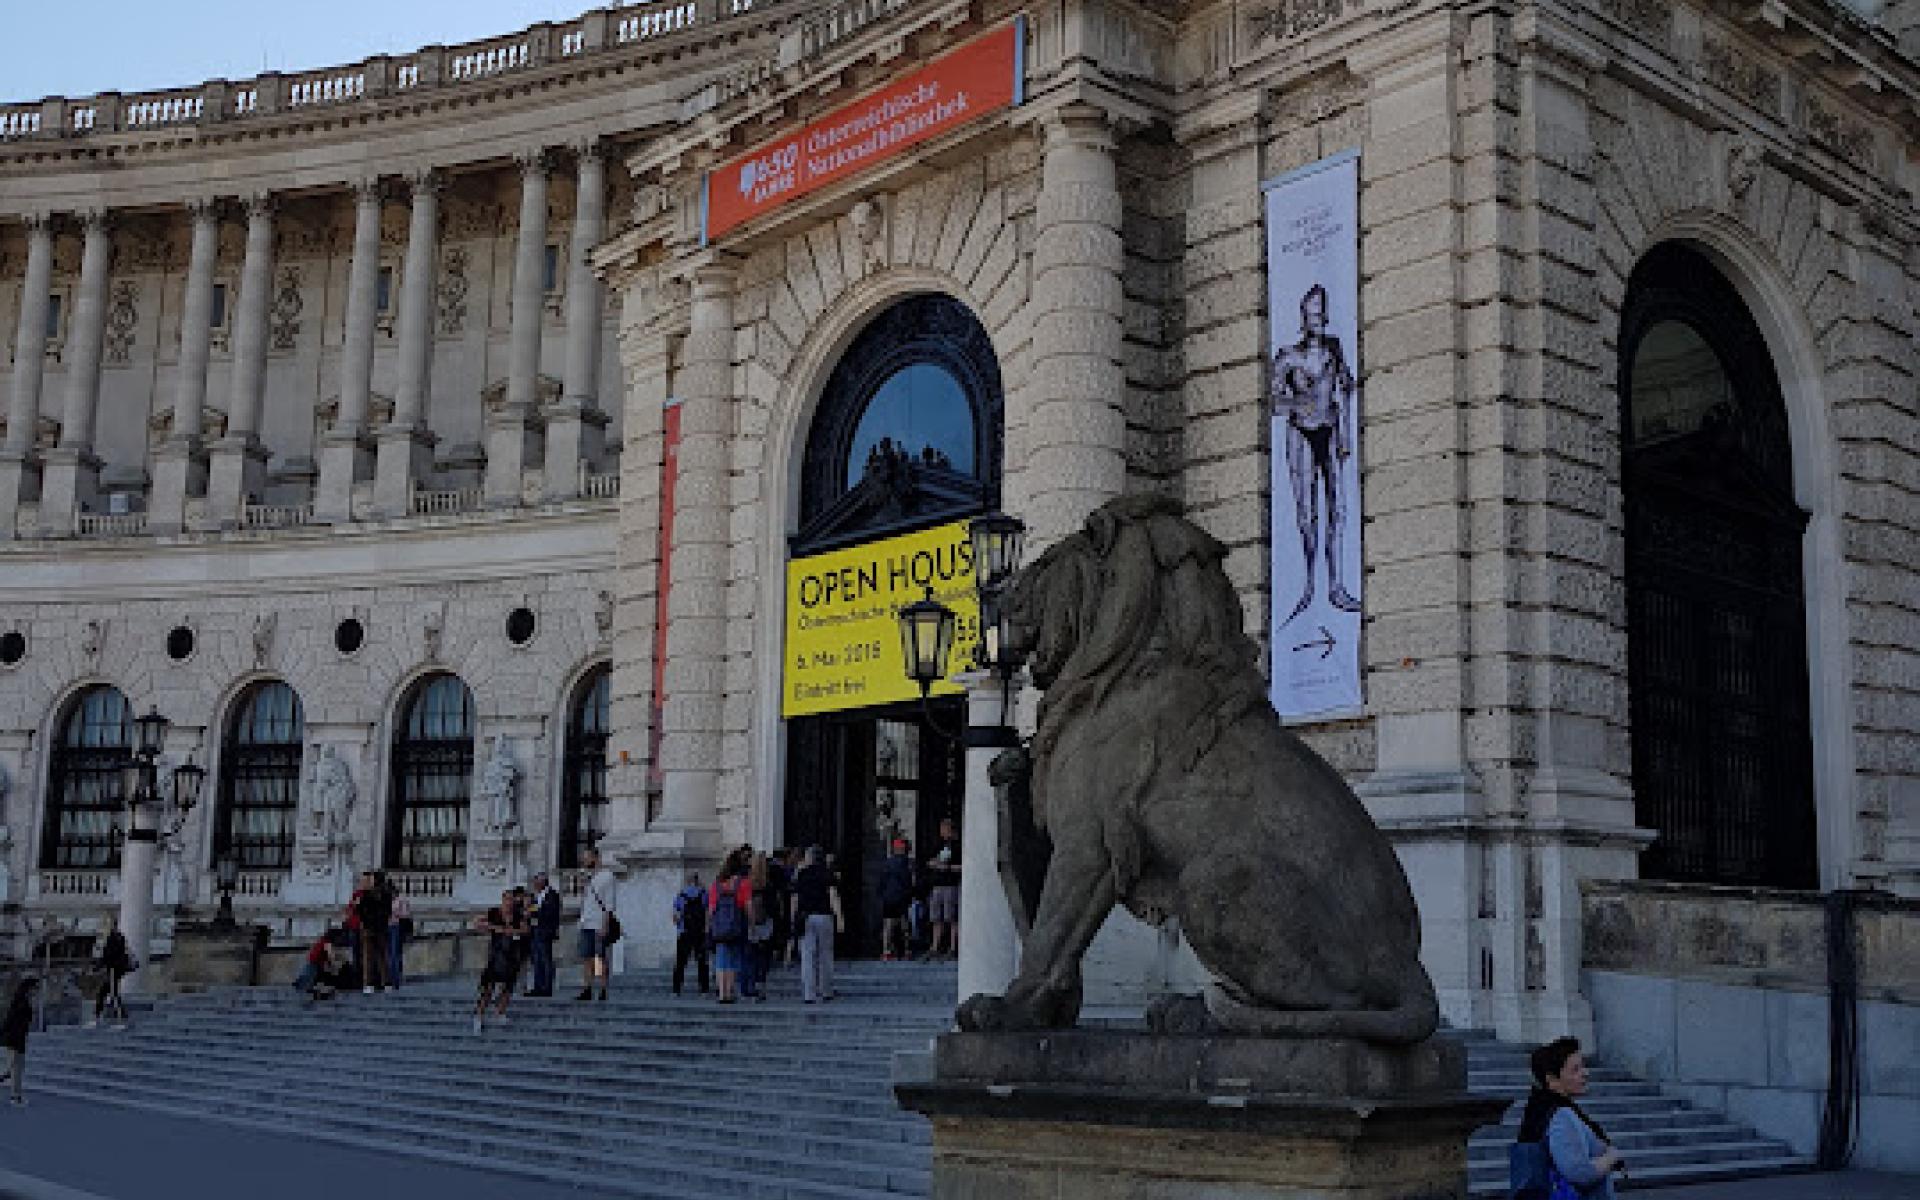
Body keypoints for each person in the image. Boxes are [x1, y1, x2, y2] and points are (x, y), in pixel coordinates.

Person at [1270, 283, 1361, 625]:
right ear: (1303, 319)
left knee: (1338, 509)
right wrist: (1300, 402)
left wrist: (1346, 435)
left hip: (1331, 429)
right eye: (1312, 315)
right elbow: (1274, 403)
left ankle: (1336, 585)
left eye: (1322, 314)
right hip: (1301, 433)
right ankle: (1308, 583)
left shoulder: (1334, 350)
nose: (1318, 320)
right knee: (1307, 514)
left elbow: (1346, 390)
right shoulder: (1287, 356)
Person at [1518, 1036, 1625, 1199]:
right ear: (1552, 1080)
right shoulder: (1561, 1116)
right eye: (1575, 1069)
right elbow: (1580, 1172)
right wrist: (1612, 1156)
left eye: (1583, 1067)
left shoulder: (1540, 1110)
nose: (1585, 1073)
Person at [791, 845, 842, 1004]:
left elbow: (795, 898)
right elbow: (833, 896)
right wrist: (839, 917)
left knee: (807, 955)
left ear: (810, 858)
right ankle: (826, 990)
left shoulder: (802, 874)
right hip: (824, 916)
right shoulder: (827, 874)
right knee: (825, 955)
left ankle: (809, 993)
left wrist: (793, 918)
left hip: (806, 917)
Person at [472, 889, 528, 1033]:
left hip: (512, 953)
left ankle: (501, 1012)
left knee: (508, 986)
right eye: (507, 900)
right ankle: (479, 1016)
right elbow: (478, 923)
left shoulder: (517, 915)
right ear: (502, 900)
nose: (509, 903)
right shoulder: (494, 913)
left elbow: (525, 930)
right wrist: (496, 928)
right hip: (497, 953)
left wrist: (513, 932)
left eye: (511, 900)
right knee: (488, 987)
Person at [708, 851, 752, 1004]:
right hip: (736, 925)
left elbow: (712, 908)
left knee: (721, 960)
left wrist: (710, 925)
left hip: (720, 926)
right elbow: (748, 906)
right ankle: (730, 992)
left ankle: (722, 993)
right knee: (733, 959)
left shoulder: (716, 884)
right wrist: (751, 922)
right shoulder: (743, 883)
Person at [577, 846, 617, 1002]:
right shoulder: (589, 877)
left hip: (599, 922)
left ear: (596, 858)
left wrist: (605, 925)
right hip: (586, 921)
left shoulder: (607, 877)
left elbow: (609, 904)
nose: (584, 861)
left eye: (587, 858)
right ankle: (587, 988)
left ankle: (603, 988)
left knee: (600, 958)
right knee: (586, 957)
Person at [924, 818, 962, 960]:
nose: (942, 831)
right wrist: (934, 864)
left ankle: (952, 947)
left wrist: (948, 868)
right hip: (937, 885)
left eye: (945, 828)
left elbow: (964, 866)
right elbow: (929, 860)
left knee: (951, 917)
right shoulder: (938, 845)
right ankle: (934, 947)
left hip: (950, 885)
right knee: (936, 917)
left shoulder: (958, 847)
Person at [353, 871, 393, 994]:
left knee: (368, 957)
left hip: (369, 928)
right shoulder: (387, 894)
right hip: (382, 927)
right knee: (383, 956)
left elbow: (359, 910)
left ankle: (369, 984)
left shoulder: (366, 894)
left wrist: (363, 918)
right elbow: (388, 911)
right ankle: (386, 983)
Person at [671, 873, 710, 996]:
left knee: (680, 962)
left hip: (684, 931)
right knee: (702, 961)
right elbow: (708, 912)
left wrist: (679, 924)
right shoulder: (704, 894)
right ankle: (704, 989)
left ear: (687, 881)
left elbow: (675, 916)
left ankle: (676, 989)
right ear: (697, 880)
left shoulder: (681, 895)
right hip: (700, 932)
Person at [91, 916, 134, 1028]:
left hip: (113, 969)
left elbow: (108, 956)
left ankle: (118, 1018)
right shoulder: (119, 937)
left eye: (105, 924)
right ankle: (101, 1017)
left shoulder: (112, 938)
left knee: (109, 993)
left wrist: (98, 965)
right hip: (117, 969)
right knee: (108, 992)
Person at [0, 977, 36, 1106]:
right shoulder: (21, 1003)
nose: (35, 992)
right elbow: (15, 1023)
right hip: (16, 1039)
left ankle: (14, 1093)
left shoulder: (20, 1001)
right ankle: (16, 1096)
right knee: (16, 1068)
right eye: (33, 989)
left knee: (15, 1068)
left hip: (16, 1039)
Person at [878, 839, 915, 962]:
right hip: (902, 897)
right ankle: (907, 950)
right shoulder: (906, 864)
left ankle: (886, 951)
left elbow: (882, 881)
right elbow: (908, 881)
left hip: (889, 897)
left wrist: (882, 894)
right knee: (904, 923)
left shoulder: (887, 863)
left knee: (888, 924)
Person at [525, 873, 561, 997]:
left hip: (545, 931)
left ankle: (546, 987)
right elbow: (534, 908)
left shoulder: (552, 895)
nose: (534, 884)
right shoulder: (537, 896)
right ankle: (538, 986)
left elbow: (549, 912)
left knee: (545, 959)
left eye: (536, 882)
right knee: (536, 959)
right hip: (535, 930)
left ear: (543, 882)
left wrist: (533, 913)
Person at [387, 890, 412, 990]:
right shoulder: (386, 900)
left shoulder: (401, 900)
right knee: (390, 953)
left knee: (395, 953)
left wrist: (396, 913)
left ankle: (396, 978)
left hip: (396, 927)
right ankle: (390, 977)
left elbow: (406, 914)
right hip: (387, 927)